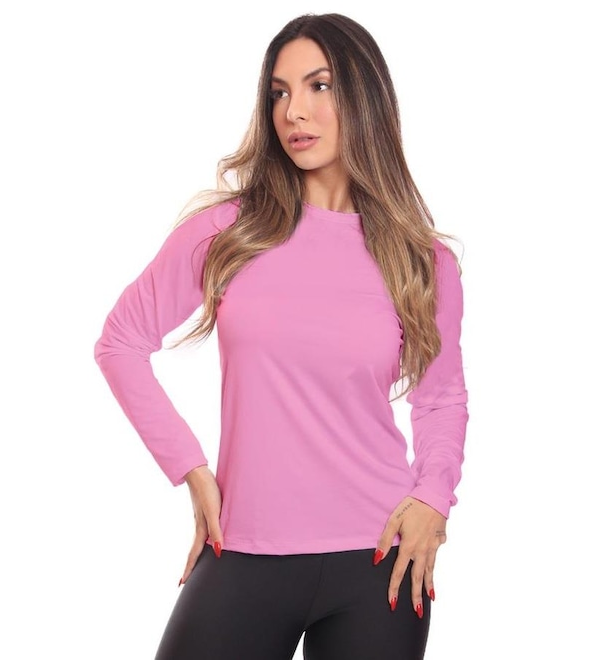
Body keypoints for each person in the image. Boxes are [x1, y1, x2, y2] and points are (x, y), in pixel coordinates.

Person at [94, 12, 468, 660]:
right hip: (244, 545)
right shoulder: (227, 232)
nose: (294, 111)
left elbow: (441, 399)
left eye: (319, 86)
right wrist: (192, 470)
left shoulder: (422, 261)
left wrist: (433, 498)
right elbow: (121, 342)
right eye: (279, 92)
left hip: (378, 558)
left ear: (364, 97)